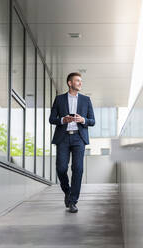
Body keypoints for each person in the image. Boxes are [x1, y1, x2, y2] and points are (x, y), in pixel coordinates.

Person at [49, 72, 95, 213]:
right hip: (63, 138)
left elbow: (92, 121)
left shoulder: (86, 100)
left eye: (81, 81)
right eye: (77, 81)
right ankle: (67, 191)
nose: (80, 83)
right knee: (61, 168)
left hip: (78, 138)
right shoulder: (59, 99)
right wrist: (64, 119)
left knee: (78, 169)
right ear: (70, 83)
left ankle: (73, 201)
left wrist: (83, 120)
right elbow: (52, 119)